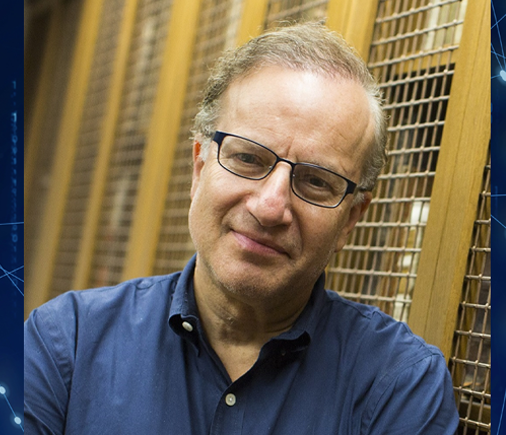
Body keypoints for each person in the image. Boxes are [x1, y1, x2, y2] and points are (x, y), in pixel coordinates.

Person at [24, 23, 459, 434]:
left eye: (315, 181)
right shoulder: (67, 345)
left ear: (350, 219)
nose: (270, 207)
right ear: (199, 167)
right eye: (248, 158)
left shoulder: (400, 387)